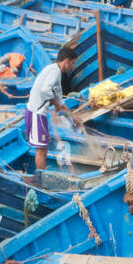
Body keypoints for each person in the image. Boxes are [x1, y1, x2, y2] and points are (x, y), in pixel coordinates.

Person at [25, 45, 77, 173]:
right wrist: (54, 101)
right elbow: (45, 90)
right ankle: (41, 178)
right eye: (72, 63)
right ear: (66, 61)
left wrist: (72, 116)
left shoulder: (53, 70)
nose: (72, 67)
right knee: (41, 150)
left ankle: (41, 171)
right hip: (37, 113)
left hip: (36, 112)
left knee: (43, 147)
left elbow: (59, 100)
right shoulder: (55, 72)